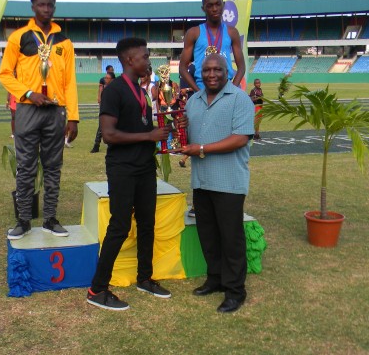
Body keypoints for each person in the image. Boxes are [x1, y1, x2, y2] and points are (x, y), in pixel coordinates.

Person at [86, 37, 172, 311]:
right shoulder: (114, 90)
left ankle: (145, 278)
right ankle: (97, 289)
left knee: (147, 223)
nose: (148, 60)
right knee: (120, 226)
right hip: (122, 168)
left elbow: (142, 124)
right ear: (129, 60)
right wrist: (148, 136)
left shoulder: (141, 90)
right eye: (145, 56)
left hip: (145, 166)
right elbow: (109, 135)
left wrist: (163, 131)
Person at [0, 0, 79, 239]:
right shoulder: (19, 37)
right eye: (41, 4)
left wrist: (73, 117)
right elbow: (4, 74)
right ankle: (23, 220)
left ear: (54, 7)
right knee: (26, 167)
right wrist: (28, 93)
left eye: (50, 5)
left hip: (56, 111)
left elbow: (70, 81)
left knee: (53, 166)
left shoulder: (64, 42)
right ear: (33, 7)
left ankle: (50, 219)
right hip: (28, 109)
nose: (46, 9)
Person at [180, 53, 254, 313]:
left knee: (231, 238)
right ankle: (215, 278)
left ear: (227, 72)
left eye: (217, 70)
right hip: (202, 181)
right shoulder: (194, 101)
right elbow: (189, 137)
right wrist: (180, 130)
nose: (211, 74)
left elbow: (240, 138)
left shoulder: (240, 99)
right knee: (208, 235)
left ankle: (235, 290)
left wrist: (200, 148)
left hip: (229, 181)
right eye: (207, 70)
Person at [179, 0, 246, 91]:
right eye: (210, 6)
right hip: (203, 89)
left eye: (218, 4)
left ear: (223, 5)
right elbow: (182, 68)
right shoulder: (193, 33)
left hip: (226, 88)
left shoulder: (232, 32)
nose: (214, 9)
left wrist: (232, 89)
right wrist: (198, 91)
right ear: (203, 9)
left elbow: (241, 67)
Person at [90, 65, 115, 153]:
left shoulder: (115, 86)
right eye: (105, 78)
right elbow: (100, 90)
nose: (105, 79)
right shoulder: (103, 84)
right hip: (104, 108)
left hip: (112, 109)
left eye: (107, 78)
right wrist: (99, 99)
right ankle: (96, 145)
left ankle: (112, 145)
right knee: (101, 126)